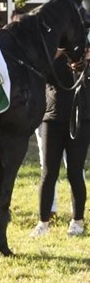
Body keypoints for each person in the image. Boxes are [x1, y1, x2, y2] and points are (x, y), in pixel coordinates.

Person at [30, 48, 89, 237]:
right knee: (48, 173)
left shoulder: (83, 54)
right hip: (52, 119)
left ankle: (77, 220)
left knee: (75, 171)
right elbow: (37, 71)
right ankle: (43, 222)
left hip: (80, 119)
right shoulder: (50, 53)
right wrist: (55, 52)